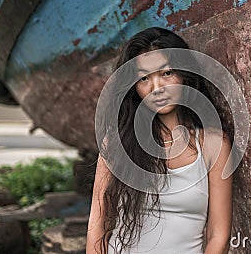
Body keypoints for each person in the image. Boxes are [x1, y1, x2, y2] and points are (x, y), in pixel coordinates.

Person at [87, 27, 235, 254]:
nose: (157, 88)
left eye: (166, 73)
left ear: (184, 73)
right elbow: (98, 224)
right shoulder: (117, 143)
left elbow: (218, 235)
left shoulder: (213, 147)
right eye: (144, 78)